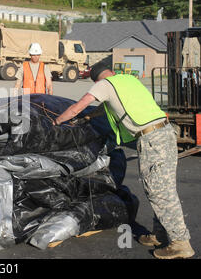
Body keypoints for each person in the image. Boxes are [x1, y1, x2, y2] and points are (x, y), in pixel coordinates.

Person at [53, 62, 195, 259]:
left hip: (151, 140)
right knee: (163, 186)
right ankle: (161, 234)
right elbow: (109, 105)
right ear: (111, 72)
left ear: (97, 79)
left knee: (160, 191)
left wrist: (57, 121)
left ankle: (180, 243)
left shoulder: (103, 85)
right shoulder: (127, 80)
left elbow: (78, 107)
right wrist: (90, 117)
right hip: (166, 133)